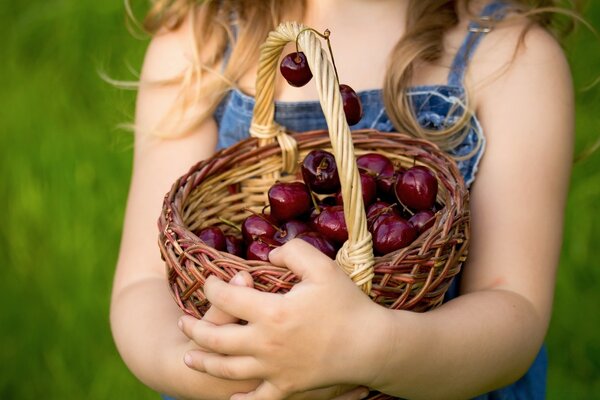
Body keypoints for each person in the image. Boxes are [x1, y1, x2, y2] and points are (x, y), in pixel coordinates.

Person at [110, 0, 577, 399]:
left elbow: (514, 310)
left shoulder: (511, 60)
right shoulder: (199, 46)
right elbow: (142, 287)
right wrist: (239, 371)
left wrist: (369, 349)